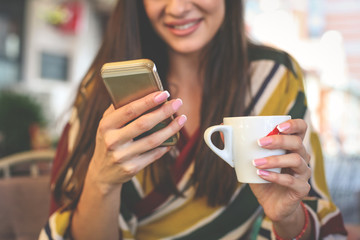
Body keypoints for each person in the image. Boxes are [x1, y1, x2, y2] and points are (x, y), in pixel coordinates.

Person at [39, 0, 348, 239]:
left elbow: (313, 215)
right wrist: (101, 181)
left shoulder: (274, 77)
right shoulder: (100, 92)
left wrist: (288, 217)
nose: (178, 8)